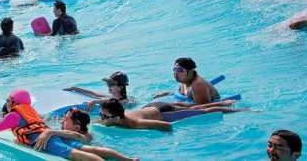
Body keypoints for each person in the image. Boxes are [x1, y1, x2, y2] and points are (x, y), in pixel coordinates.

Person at [0, 90, 134, 161]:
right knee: (89, 149)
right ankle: (126, 159)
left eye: (8, 101)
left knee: (76, 155)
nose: (7, 103)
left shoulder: (13, 115)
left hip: (45, 140)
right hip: (52, 133)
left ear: (13, 102)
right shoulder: (31, 111)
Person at [35, 108, 139, 161]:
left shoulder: (81, 136)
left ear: (76, 128)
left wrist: (50, 132)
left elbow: (70, 133)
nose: (62, 121)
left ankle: (126, 159)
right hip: (97, 148)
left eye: (65, 120)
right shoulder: (84, 131)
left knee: (93, 150)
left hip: (92, 151)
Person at [97, 98, 243, 131]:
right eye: (101, 114)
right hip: (151, 106)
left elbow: (166, 125)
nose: (102, 118)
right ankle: (225, 102)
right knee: (193, 106)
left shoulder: (135, 123)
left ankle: (236, 109)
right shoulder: (114, 117)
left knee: (201, 111)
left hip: (162, 111)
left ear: (116, 117)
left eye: (104, 116)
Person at [154, 57, 220, 104]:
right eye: (175, 69)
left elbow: (205, 107)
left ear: (190, 71)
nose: (176, 73)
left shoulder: (197, 85)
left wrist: (177, 106)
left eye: (180, 70)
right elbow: (181, 95)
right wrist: (167, 93)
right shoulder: (184, 81)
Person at [65, 71, 133, 111]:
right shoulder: (112, 96)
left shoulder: (124, 101)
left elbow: (114, 102)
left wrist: (95, 101)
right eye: (108, 83)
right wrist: (75, 88)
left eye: (111, 84)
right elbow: (95, 94)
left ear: (120, 88)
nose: (109, 86)